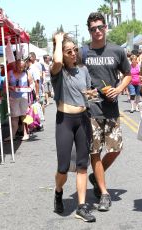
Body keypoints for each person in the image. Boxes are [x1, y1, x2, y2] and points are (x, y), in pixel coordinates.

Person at [80, 12, 131, 211]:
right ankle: (104, 193)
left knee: (116, 149)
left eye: (100, 27)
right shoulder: (84, 52)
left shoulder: (117, 51)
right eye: (93, 29)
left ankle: (95, 176)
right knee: (95, 151)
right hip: (91, 110)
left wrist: (118, 89)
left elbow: (127, 74)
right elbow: (75, 76)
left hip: (111, 109)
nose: (97, 31)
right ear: (89, 31)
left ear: (106, 28)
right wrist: (87, 93)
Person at [50, 32, 96, 222]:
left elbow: (87, 93)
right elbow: (58, 62)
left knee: (82, 166)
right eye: (68, 51)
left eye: (75, 50)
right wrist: (59, 41)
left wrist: (91, 94)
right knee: (63, 167)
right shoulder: (58, 71)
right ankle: (58, 191)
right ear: (61, 53)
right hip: (65, 121)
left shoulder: (83, 70)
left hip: (82, 119)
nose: (73, 53)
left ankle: (81, 207)